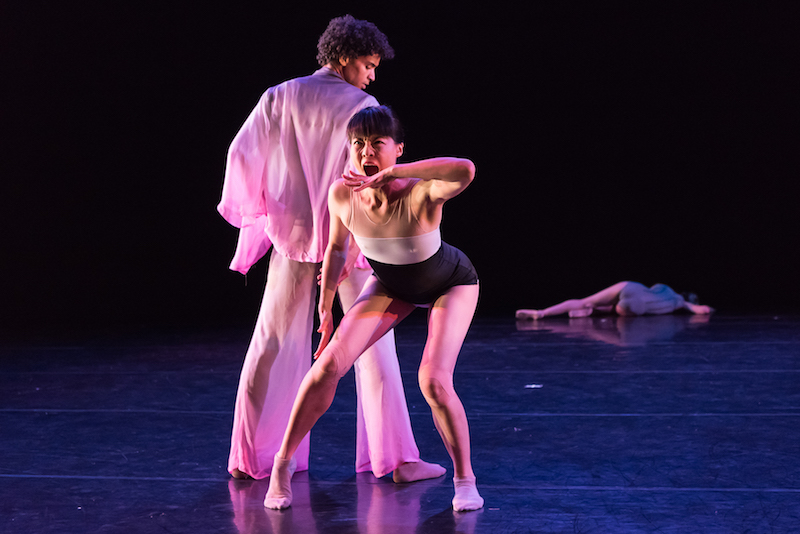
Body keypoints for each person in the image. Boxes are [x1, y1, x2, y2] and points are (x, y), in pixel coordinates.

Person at [217, 15, 443, 483]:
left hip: (294, 237)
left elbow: (240, 154)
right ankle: (394, 460)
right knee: (372, 350)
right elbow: (373, 170)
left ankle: (252, 457)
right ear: (342, 57)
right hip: (353, 240)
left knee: (273, 344)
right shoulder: (363, 106)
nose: (372, 75)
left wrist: (266, 206)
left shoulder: (279, 96)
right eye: (367, 64)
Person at [264, 105, 484, 512]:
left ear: (397, 149)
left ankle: (464, 478)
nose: (366, 152)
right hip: (390, 285)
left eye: (377, 144)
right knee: (329, 365)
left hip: (450, 284)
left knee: (433, 381)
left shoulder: (421, 190)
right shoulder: (342, 194)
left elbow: (466, 169)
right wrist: (326, 309)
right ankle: (281, 465)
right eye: (358, 144)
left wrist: (396, 173)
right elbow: (334, 249)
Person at [515, 281, 714, 320]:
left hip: (631, 287)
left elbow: (653, 287)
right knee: (616, 310)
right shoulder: (679, 302)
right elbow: (702, 310)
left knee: (585, 300)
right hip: (637, 307)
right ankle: (595, 311)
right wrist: (708, 309)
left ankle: (542, 313)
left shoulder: (665, 288)